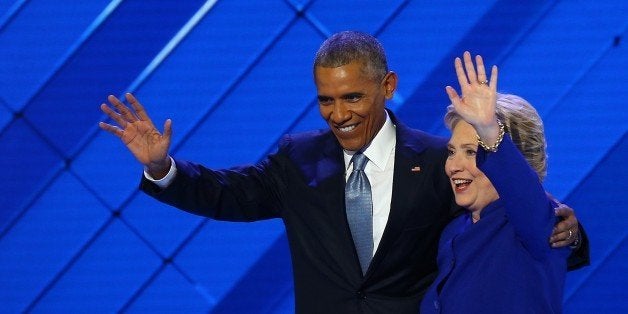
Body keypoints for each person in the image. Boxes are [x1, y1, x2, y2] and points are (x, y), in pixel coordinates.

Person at [99, 31, 585, 313]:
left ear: (388, 86)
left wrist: (566, 225)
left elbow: (518, 209)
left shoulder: (439, 160)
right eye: (326, 100)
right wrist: (163, 167)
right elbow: (229, 194)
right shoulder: (298, 160)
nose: (339, 113)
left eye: (353, 97)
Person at [420, 52, 573, 313]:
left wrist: (489, 129)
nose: (453, 166)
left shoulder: (535, 225)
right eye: (452, 151)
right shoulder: (454, 231)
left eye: (471, 152)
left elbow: (525, 196)